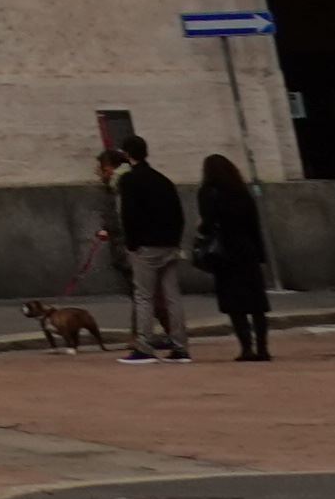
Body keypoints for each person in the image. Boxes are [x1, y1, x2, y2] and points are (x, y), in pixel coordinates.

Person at [111, 135, 192, 360]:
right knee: (172, 296)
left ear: (128, 155)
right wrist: (175, 239)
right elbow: (178, 213)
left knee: (144, 296)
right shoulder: (163, 179)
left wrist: (132, 243)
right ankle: (180, 346)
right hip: (169, 243)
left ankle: (144, 346)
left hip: (145, 245)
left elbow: (129, 214)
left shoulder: (129, 180)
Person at [196, 154, 274, 361]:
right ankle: (263, 348)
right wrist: (260, 254)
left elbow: (207, 223)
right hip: (246, 249)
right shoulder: (241, 191)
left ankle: (246, 347)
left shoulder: (208, 192)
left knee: (235, 303)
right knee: (256, 302)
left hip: (225, 252)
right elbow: (254, 224)